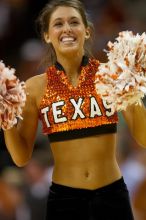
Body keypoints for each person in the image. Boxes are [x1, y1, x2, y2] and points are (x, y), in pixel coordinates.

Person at [3, 0, 146, 219]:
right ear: (47, 36)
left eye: (74, 22)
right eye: (58, 24)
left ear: (86, 31)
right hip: (65, 200)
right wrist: (6, 115)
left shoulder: (111, 75)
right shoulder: (34, 88)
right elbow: (22, 157)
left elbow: (144, 138)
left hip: (112, 194)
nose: (67, 29)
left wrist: (130, 89)